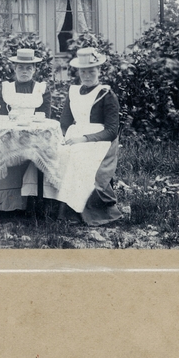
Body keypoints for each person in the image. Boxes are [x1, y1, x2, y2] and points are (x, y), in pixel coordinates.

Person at [38, 46, 125, 225]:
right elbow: (64, 124)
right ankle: (49, 206)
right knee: (55, 153)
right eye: (83, 71)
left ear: (99, 70)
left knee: (78, 156)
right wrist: (61, 139)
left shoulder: (106, 95)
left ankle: (76, 212)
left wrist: (84, 139)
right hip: (75, 136)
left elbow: (111, 131)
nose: (87, 75)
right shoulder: (74, 92)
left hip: (99, 141)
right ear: (78, 72)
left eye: (91, 71)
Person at [0, 47, 49, 212]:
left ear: (34, 69)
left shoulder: (41, 89)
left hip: (34, 136)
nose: (24, 71)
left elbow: (44, 117)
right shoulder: (6, 89)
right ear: (14, 68)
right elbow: (0, 116)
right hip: (9, 135)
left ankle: (33, 204)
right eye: (20, 67)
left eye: (28, 68)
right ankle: (7, 205)